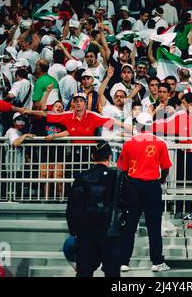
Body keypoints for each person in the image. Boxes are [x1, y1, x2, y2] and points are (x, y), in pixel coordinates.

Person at [117, 112, 172, 273]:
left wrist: (129, 183)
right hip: (152, 186)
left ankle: (124, 261)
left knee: (129, 227)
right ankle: (157, 262)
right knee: (154, 226)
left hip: (133, 186)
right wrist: (161, 180)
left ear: (137, 125)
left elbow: (123, 169)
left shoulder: (129, 143)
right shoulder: (159, 143)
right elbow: (166, 167)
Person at [66, 141, 125, 277]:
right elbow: (126, 204)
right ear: (110, 157)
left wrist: (74, 231)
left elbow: (71, 207)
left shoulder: (81, 177)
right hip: (110, 232)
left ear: (92, 157)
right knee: (112, 273)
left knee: (84, 272)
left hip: (85, 231)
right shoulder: (116, 177)